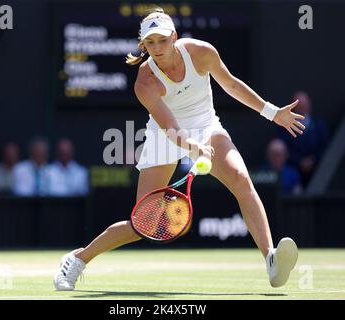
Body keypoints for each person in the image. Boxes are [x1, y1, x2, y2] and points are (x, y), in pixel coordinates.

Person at [53, 8, 306, 290]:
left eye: (162, 40)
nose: (157, 48)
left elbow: (232, 85)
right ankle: (77, 259)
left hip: (207, 126)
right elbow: (170, 127)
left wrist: (273, 113)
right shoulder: (145, 81)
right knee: (142, 225)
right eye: (150, 43)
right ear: (143, 45)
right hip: (165, 137)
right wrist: (192, 146)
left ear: (174, 36)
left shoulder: (201, 52)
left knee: (241, 179)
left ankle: (271, 259)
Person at [279, 91, 329, 187]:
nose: (302, 108)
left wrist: (313, 160)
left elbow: (324, 147)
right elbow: (285, 148)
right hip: (293, 170)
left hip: (318, 169)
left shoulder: (319, 126)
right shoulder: (284, 127)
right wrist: (299, 162)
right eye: (299, 106)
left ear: (309, 105)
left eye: (304, 105)